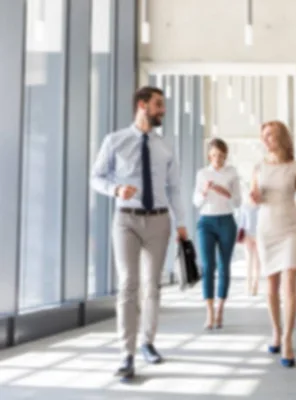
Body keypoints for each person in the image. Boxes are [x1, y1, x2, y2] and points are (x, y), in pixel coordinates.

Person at [90, 86, 187, 381]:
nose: (163, 110)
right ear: (142, 105)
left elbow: (174, 189)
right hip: (126, 220)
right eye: (159, 105)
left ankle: (147, 342)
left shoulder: (166, 147)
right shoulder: (115, 140)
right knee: (128, 284)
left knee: (152, 286)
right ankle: (126, 354)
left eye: (164, 105)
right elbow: (96, 176)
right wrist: (116, 189)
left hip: (159, 221)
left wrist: (181, 224)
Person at [250, 120, 296, 368]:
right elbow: (253, 200)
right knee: (272, 285)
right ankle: (276, 331)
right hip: (267, 230)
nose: (266, 139)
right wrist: (255, 198)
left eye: (270, 134)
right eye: (263, 135)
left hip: (292, 229)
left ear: (281, 136)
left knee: (290, 284)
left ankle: (288, 340)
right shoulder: (259, 168)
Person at [193, 138, 241, 330]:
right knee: (208, 266)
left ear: (225, 156)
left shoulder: (232, 173)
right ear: (209, 155)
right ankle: (209, 312)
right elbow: (196, 202)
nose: (217, 159)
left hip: (227, 222)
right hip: (206, 222)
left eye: (221, 156)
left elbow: (238, 202)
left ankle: (220, 308)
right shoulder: (202, 174)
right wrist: (204, 192)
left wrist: (226, 193)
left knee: (224, 266)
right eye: (214, 155)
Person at [238, 188, 260, 296]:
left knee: (257, 262)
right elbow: (242, 222)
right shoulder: (245, 207)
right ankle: (248, 285)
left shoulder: (262, 207)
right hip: (248, 236)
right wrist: (240, 235)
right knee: (249, 261)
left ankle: (256, 285)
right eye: (251, 195)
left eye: (255, 195)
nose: (253, 197)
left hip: (259, 236)